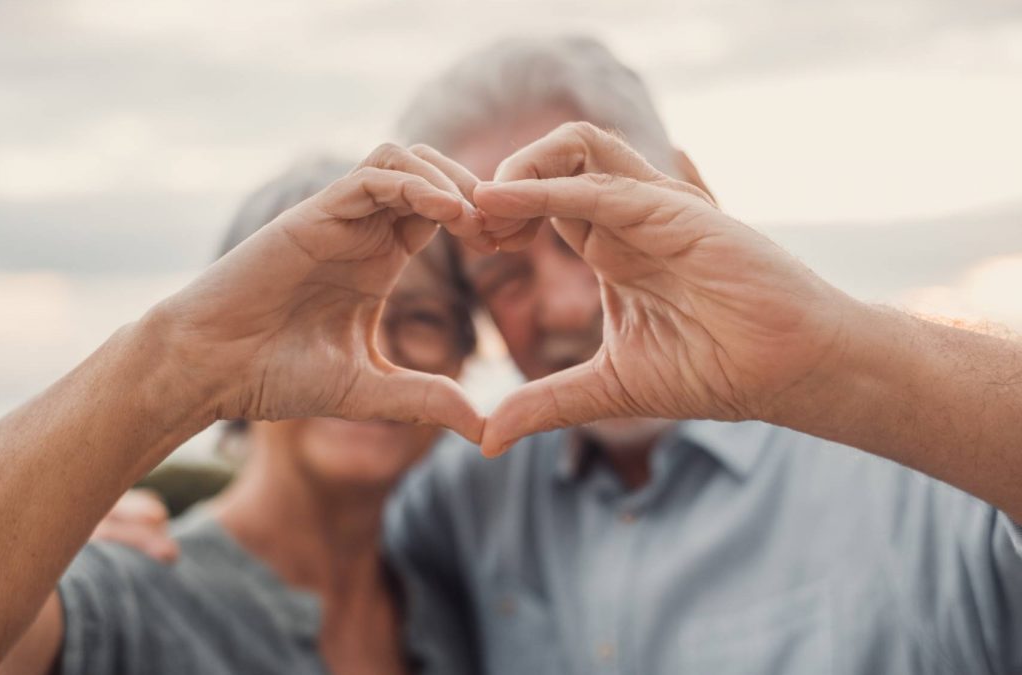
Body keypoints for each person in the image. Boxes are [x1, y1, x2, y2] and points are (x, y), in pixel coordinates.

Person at [383, 36, 1022, 673]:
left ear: (688, 192)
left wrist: (829, 351)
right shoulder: (465, 500)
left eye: (584, 233)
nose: (568, 309)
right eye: (505, 278)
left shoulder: (912, 461)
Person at [0, 147, 489, 674]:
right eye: (322, 313)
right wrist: (173, 363)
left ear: (463, 357)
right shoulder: (126, 590)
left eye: (423, 319)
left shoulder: (463, 608)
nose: (373, 354)